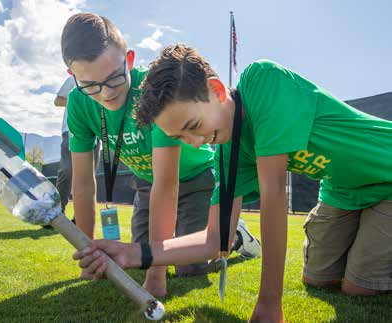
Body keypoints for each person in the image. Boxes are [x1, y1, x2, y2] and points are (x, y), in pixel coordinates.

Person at [74, 44, 392, 322]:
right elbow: (217, 240)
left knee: (357, 288)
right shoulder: (227, 153)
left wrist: (269, 304)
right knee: (317, 280)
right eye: (180, 138)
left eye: (193, 126)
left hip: (387, 173)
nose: (195, 143)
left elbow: (273, 195)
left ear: (217, 90)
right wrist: (135, 253)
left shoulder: (263, 80)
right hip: (341, 190)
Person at [61, 15, 259, 297]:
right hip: (146, 184)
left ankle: (234, 235)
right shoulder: (78, 105)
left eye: (115, 78)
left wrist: (157, 274)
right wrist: (88, 252)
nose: (105, 94)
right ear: (73, 76)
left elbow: (167, 183)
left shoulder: (153, 93)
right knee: (136, 259)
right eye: (91, 85)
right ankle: (197, 234)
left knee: (188, 267)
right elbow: (82, 184)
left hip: (195, 178)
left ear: (128, 60)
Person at [54, 76, 101, 223]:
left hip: (94, 130)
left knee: (88, 175)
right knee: (66, 170)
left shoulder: (101, 78)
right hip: (71, 130)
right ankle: (56, 213)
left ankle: (80, 218)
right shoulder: (71, 80)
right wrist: (80, 101)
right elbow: (57, 101)